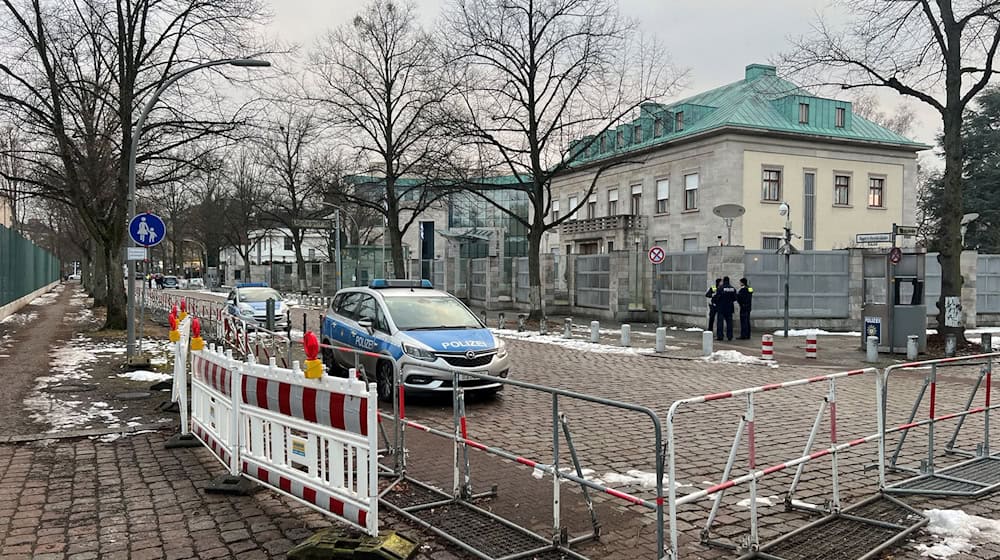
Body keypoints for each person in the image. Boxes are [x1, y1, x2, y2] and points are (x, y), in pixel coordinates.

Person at [717, 276, 738, 341]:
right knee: (729, 323)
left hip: (721, 308)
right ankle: (730, 336)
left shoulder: (720, 288)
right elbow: (735, 298)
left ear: (723, 281)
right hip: (729, 308)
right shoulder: (733, 289)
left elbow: (717, 297)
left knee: (720, 323)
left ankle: (720, 336)